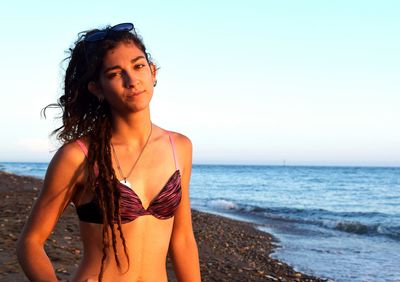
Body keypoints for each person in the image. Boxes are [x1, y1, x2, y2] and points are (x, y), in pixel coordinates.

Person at [17, 22, 201, 282]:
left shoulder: (179, 147)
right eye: (116, 74)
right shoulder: (78, 156)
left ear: (153, 71)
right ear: (97, 88)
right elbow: (30, 242)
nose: (132, 80)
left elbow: (182, 239)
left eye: (138, 66)